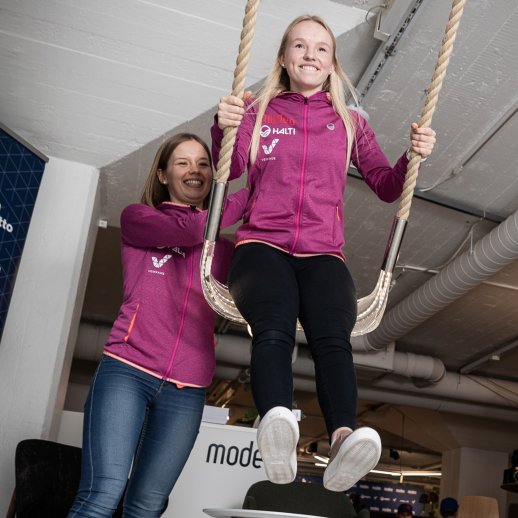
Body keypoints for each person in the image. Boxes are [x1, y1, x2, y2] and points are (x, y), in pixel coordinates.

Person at [211, 14, 436, 492]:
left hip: (322, 253)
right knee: (273, 325)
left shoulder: (349, 123)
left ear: (333, 63)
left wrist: (412, 157)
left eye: (321, 48)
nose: (310, 55)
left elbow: (385, 184)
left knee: (333, 338)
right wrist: (223, 126)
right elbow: (228, 169)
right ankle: (276, 424)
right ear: (284, 58)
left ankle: (343, 440)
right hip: (261, 244)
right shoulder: (258, 111)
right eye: (299, 46)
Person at [68, 133, 248, 517]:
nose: (194, 170)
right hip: (128, 370)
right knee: (103, 492)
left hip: (188, 387)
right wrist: (253, 192)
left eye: (203, 163)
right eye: (183, 162)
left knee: (148, 504)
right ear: (164, 175)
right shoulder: (140, 219)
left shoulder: (224, 251)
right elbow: (191, 231)